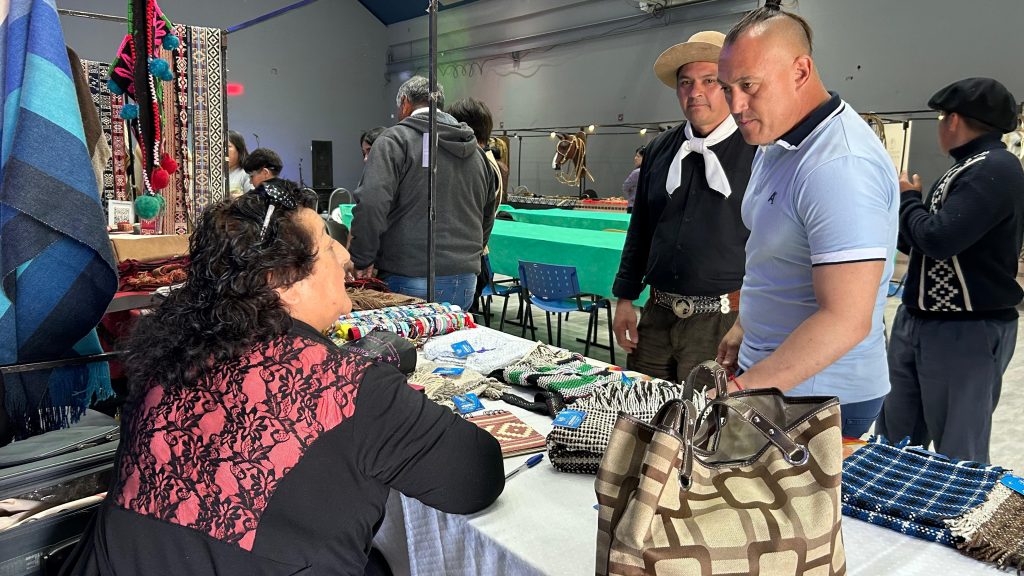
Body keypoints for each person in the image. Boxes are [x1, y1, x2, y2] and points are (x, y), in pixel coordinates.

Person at [61, 179, 504, 575]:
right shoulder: (345, 388)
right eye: (330, 247)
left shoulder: (171, 356)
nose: (347, 257)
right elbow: (476, 477)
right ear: (281, 280)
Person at [714, 1, 898, 437]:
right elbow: (774, 255)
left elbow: (845, 319)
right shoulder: (777, 143)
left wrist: (746, 389)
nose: (735, 104)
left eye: (748, 85)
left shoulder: (838, 166)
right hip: (777, 378)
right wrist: (746, 327)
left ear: (800, 72)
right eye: (727, 88)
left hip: (818, 397)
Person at [877, 78, 1024, 463]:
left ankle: (954, 520)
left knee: (958, 450)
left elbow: (939, 239)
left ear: (953, 120)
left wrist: (909, 200)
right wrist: (903, 212)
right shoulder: (965, 169)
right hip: (923, 320)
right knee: (895, 437)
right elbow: (922, 245)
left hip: (966, 329)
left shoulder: (995, 169)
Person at [612, 31, 756, 383]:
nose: (695, 92)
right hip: (657, 315)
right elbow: (642, 227)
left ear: (728, 86)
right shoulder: (661, 149)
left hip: (723, 322)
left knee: (704, 427)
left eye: (709, 81)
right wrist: (626, 299)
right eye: (686, 82)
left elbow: (773, 245)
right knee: (641, 416)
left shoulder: (756, 149)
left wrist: (750, 321)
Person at [349, 76, 497, 310]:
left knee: (410, 346)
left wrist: (361, 258)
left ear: (405, 103)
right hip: (465, 280)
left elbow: (371, 202)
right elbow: (488, 213)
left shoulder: (394, 141)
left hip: (408, 275)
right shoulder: (477, 154)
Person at [448, 96, 506, 314]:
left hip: (470, 260)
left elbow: (483, 219)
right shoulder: (483, 160)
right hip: (472, 258)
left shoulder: (480, 164)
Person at [227, 130, 252, 198]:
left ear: (239, 149)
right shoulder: (215, 174)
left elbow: (253, 200)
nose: (223, 150)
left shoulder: (247, 173)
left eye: (228, 146)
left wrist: (238, 198)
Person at [621, 145, 645, 211]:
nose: (635, 158)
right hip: (646, 206)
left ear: (644, 158)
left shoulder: (637, 172)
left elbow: (625, 187)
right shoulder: (650, 171)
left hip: (634, 206)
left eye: (638, 156)